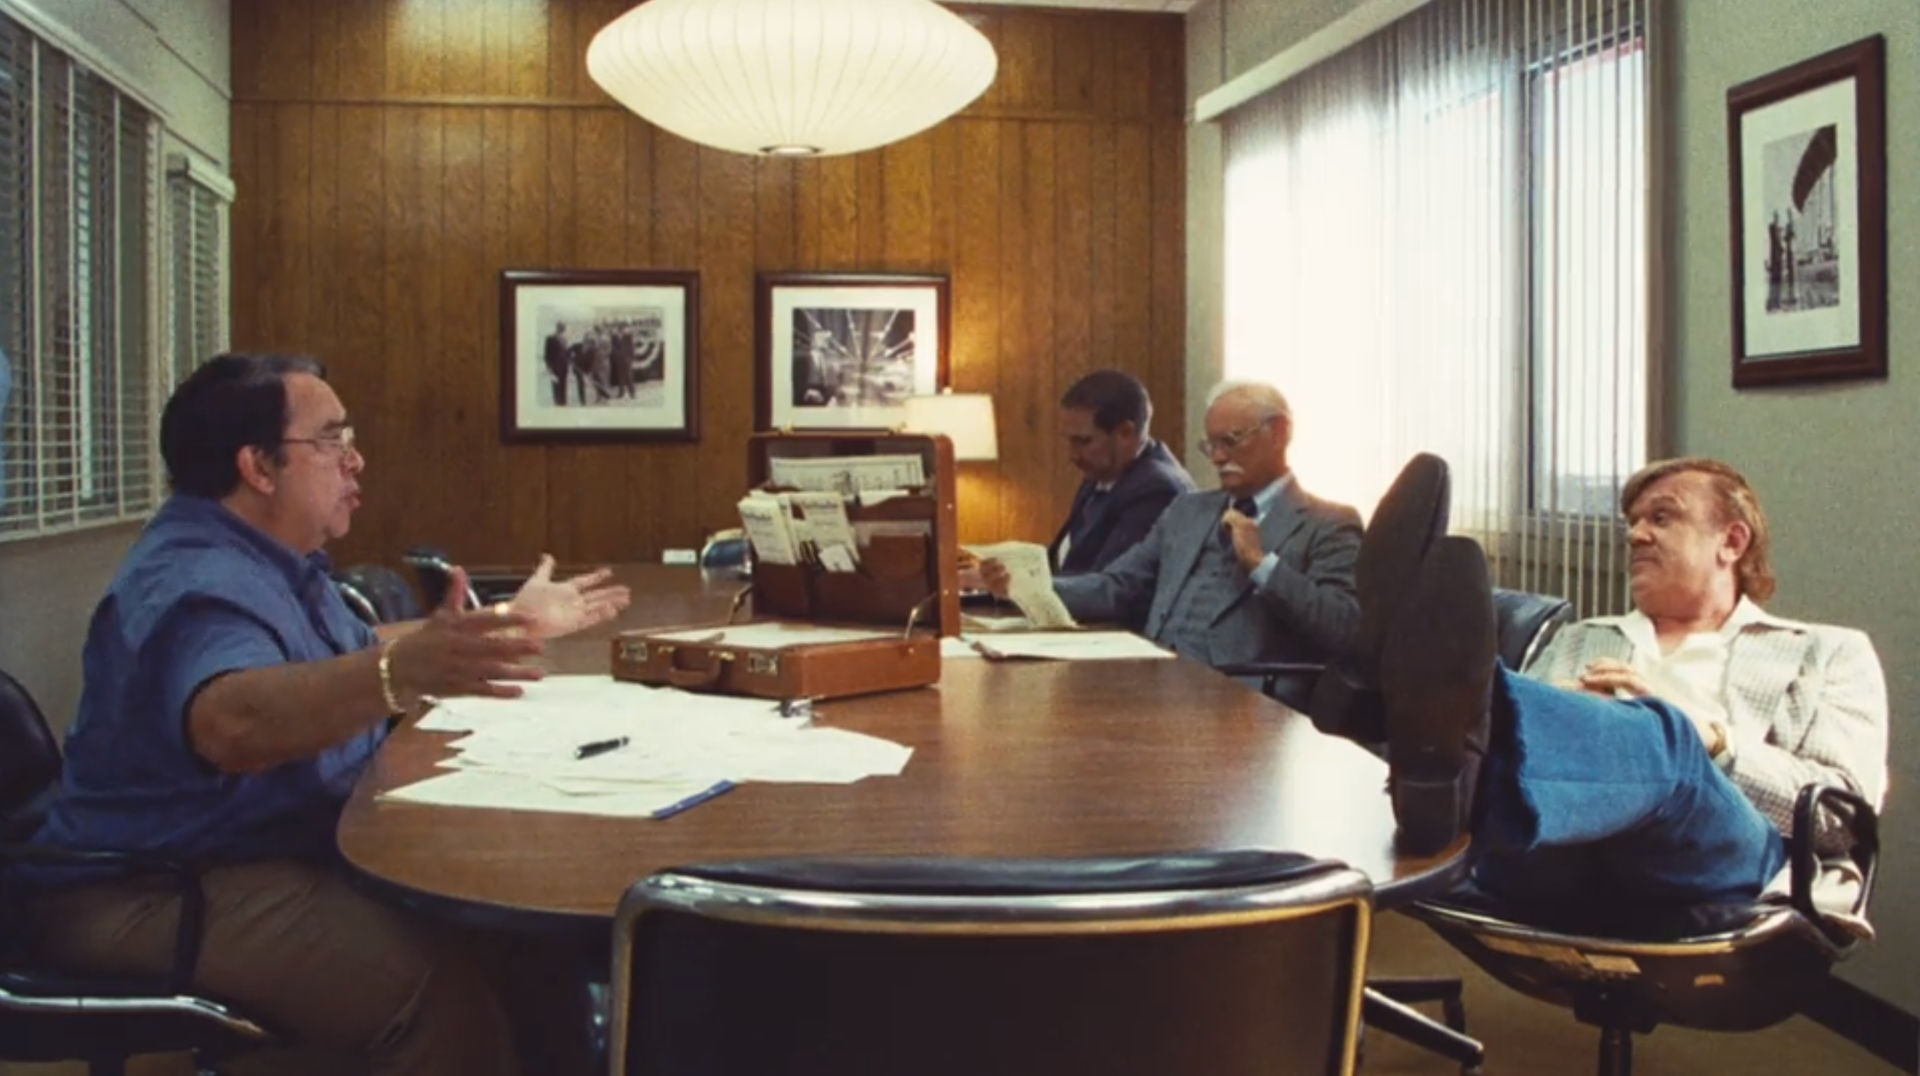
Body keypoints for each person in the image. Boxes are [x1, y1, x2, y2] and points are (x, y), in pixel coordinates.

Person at [16, 353, 632, 1075]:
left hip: (246, 854)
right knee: (434, 993)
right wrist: (398, 675)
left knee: (527, 946)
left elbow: (346, 655)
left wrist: (500, 624)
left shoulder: (273, 558)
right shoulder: (198, 579)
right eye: (333, 441)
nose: (356, 460)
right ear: (259, 466)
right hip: (152, 888)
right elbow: (232, 721)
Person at [1373, 456, 1887, 909]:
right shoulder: (1580, 639)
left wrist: (1712, 738)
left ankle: (1384, 705)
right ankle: (1380, 673)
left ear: (1731, 541)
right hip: (1555, 843)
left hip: (1719, 849)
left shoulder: (1825, 650)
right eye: (1633, 522)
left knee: (1661, 733)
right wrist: (1571, 721)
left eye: (1661, 517)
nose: (1636, 534)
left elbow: (1843, 820)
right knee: (1501, 699)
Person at [985, 379, 1361, 675]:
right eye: (1209, 445)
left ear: (1278, 432)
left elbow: (1342, 629)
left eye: (1230, 441)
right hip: (1153, 677)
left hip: (1243, 705)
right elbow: (1120, 584)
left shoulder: (1328, 523)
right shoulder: (1188, 510)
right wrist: (1029, 586)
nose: (1217, 457)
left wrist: (1262, 565)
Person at [1047, 369, 1195, 575]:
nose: (1073, 456)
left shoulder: (1157, 489)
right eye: (1069, 441)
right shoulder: (1102, 471)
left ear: (1125, 433)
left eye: (1083, 441)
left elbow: (1111, 584)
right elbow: (1070, 557)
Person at [544, 320, 572, 405]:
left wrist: (570, 360)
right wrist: (549, 367)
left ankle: (563, 403)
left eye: (563, 327)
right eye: (561, 327)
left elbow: (566, 353)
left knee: (564, 386)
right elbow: (547, 354)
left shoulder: (565, 339)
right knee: (556, 387)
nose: (563, 329)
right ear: (557, 327)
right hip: (555, 367)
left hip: (564, 367)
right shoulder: (550, 338)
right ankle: (557, 404)